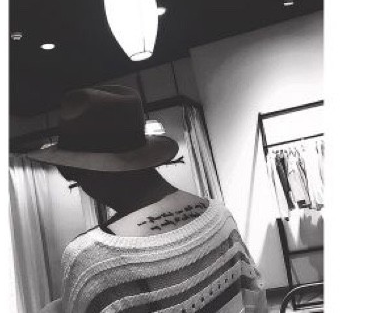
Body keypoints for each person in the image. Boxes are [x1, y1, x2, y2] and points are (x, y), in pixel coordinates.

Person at [29, 85, 268, 313]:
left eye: (77, 179)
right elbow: (256, 300)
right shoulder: (220, 217)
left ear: (90, 174)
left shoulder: (91, 260)